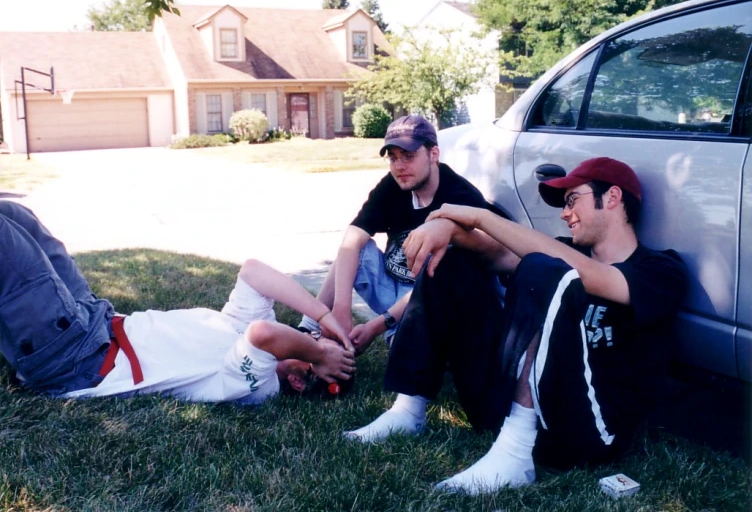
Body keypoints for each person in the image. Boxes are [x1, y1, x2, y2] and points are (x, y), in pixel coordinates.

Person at [344, 157, 688, 494]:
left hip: (585, 431)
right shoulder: (565, 252)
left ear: (612, 197)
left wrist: (480, 215)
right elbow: (495, 253)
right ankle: (409, 409)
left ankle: (515, 456)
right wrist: (448, 228)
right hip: (504, 407)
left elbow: (594, 276)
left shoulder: (660, 270)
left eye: (572, 200)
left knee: (546, 268)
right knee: (455, 260)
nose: (565, 214)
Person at [0, 200, 355, 403]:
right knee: (16, 215)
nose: (312, 338)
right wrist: (325, 315)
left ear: (297, 379)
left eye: (312, 348)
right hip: (96, 321)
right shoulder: (237, 328)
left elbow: (265, 335)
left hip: (75, 360)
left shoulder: (256, 385)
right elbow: (253, 272)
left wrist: (322, 355)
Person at [298, 115, 489, 355]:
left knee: (411, 353)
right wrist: (342, 310)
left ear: (433, 154)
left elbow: (449, 279)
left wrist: (376, 326)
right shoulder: (394, 185)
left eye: (408, 157)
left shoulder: (461, 197)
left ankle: (401, 335)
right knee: (356, 249)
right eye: (393, 158)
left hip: (433, 297)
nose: (399, 166)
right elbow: (352, 238)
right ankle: (306, 330)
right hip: (392, 282)